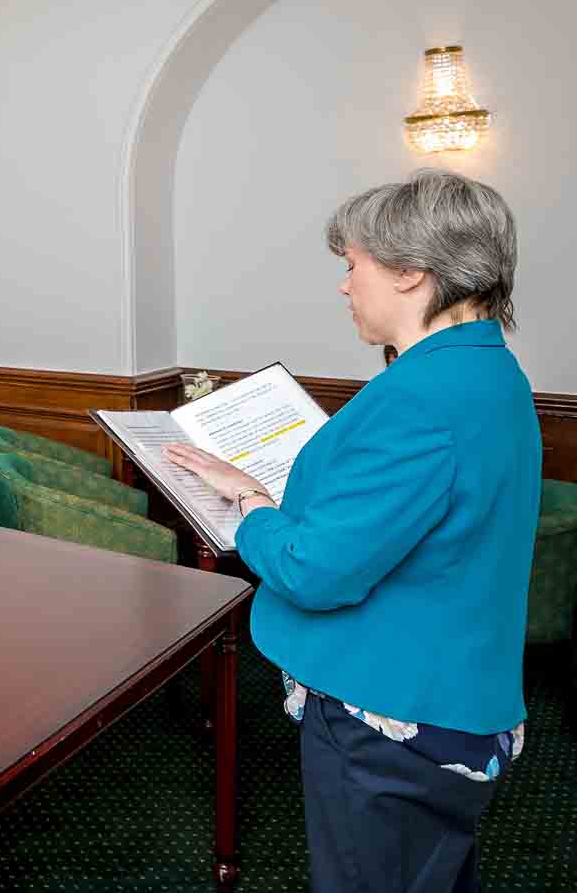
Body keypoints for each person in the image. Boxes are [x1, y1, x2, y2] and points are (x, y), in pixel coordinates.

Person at [168, 171, 537, 893]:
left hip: (392, 712)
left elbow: (313, 569)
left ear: (409, 270)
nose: (344, 286)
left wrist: (251, 503)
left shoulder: (421, 398)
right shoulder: (490, 372)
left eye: (352, 264)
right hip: (456, 693)